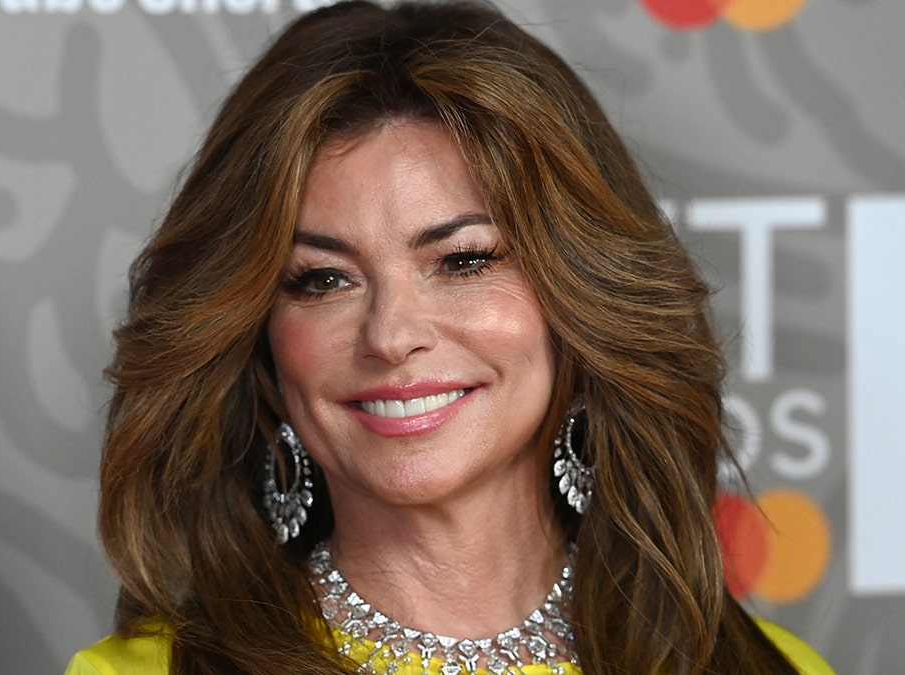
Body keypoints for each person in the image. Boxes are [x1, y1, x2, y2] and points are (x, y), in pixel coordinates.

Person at [66, 1, 836, 674]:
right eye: (322, 278)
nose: (391, 335)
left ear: (580, 299)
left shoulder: (767, 666)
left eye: (463, 261)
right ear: (261, 341)